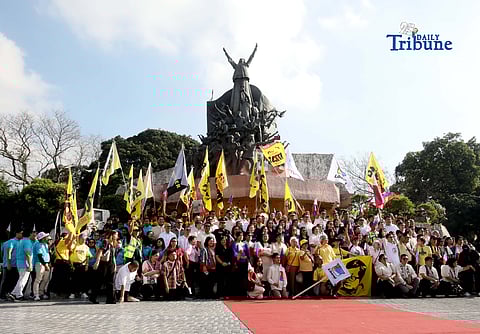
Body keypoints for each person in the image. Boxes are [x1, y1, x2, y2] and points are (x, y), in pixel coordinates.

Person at [89, 230, 118, 304]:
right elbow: (100, 251)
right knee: (99, 281)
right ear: (111, 235)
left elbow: (113, 256)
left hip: (111, 264)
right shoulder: (106, 241)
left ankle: (111, 299)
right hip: (104, 264)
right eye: (116, 235)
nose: (117, 236)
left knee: (110, 282)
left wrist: (115, 265)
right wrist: (97, 261)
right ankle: (93, 297)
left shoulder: (114, 244)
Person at [7, 229, 36, 301]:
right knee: (23, 280)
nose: (35, 234)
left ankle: (13, 293)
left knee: (21, 279)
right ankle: (18, 295)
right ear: (30, 234)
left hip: (20, 263)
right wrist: (30, 264)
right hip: (25, 263)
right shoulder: (27, 242)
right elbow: (28, 253)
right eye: (34, 233)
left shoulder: (21, 241)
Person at [0, 228, 22, 299]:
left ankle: (7, 294)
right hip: (10, 265)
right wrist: (8, 263)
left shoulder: (11, 242)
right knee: (7, 280)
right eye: (21, 233)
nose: (22, 235)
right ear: (17, 234)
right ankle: (3, 295)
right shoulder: (11, 242)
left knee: (12, 280)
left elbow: (2, 253)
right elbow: (8, 253)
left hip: (13, 265)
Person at [69, 233, 92, 299]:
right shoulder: (74, 245)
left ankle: (83, 292)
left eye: (85, 239)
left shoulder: (86, 247)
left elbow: (88, 256)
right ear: (79, 238)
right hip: (74, 264)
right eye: (82, 239)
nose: (84, 240)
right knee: (74, 280)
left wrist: (87, 265)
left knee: (83, 280)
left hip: (83, 264)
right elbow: (70, 252)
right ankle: (72, 293)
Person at [32, 232, 52, 301]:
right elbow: (40, 256)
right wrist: (45, 265)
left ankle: (41, 293)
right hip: (40, 263)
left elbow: (47, 254)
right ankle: (36, 294)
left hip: (46, 263)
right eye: (45, 237)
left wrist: (48, 263)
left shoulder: (45, 244)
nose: (47, 238)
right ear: (42, 238)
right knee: (38, 279)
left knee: (45, 279)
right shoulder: (37, 244)